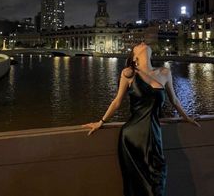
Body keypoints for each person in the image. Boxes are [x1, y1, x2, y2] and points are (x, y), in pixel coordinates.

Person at [81, 41, 201, 196]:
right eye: (138, 45)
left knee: (158, 175)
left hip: (153, 134)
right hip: (132, 137)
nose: (143, 43)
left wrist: (187, 118)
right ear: (135, 57)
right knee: (136, 183)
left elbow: (175, 100)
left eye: (144, 43)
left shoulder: (164, 73)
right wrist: (101, 122)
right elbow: (117, 101)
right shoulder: (128, 73)